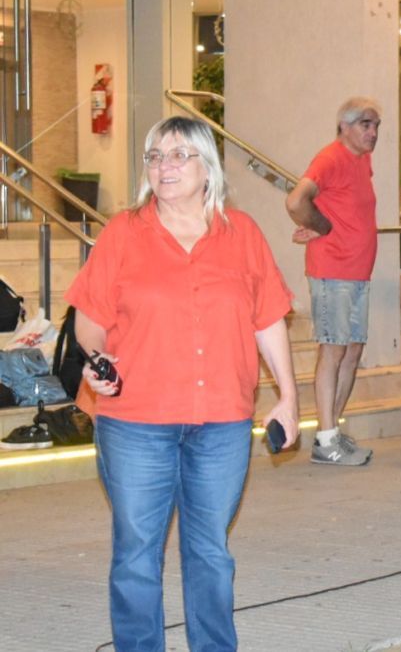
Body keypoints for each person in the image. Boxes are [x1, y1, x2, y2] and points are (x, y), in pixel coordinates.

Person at [67, 116, 298, 651]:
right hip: (135, 420)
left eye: (178, 155)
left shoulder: (242, 234)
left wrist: (289, 396)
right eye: (154, 156)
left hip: (222, 418)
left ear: (207, 167)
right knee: (137, 553)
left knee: (211, 552)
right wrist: (98, 355)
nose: (163, 167)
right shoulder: (124, 231)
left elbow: (267, 319)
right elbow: (90, 316)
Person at [285, 97, 380, 466]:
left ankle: (332, 431)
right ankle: (325, 441)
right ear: (345, 126)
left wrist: (323, 221)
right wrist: (318, 226)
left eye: (375, 126)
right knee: (334, 350)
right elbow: (296, 201)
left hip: (358, 271)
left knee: (352, 351)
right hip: (333, 272)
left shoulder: (362, 160)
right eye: (366, 125)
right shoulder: (330, 157)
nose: (373, 133)